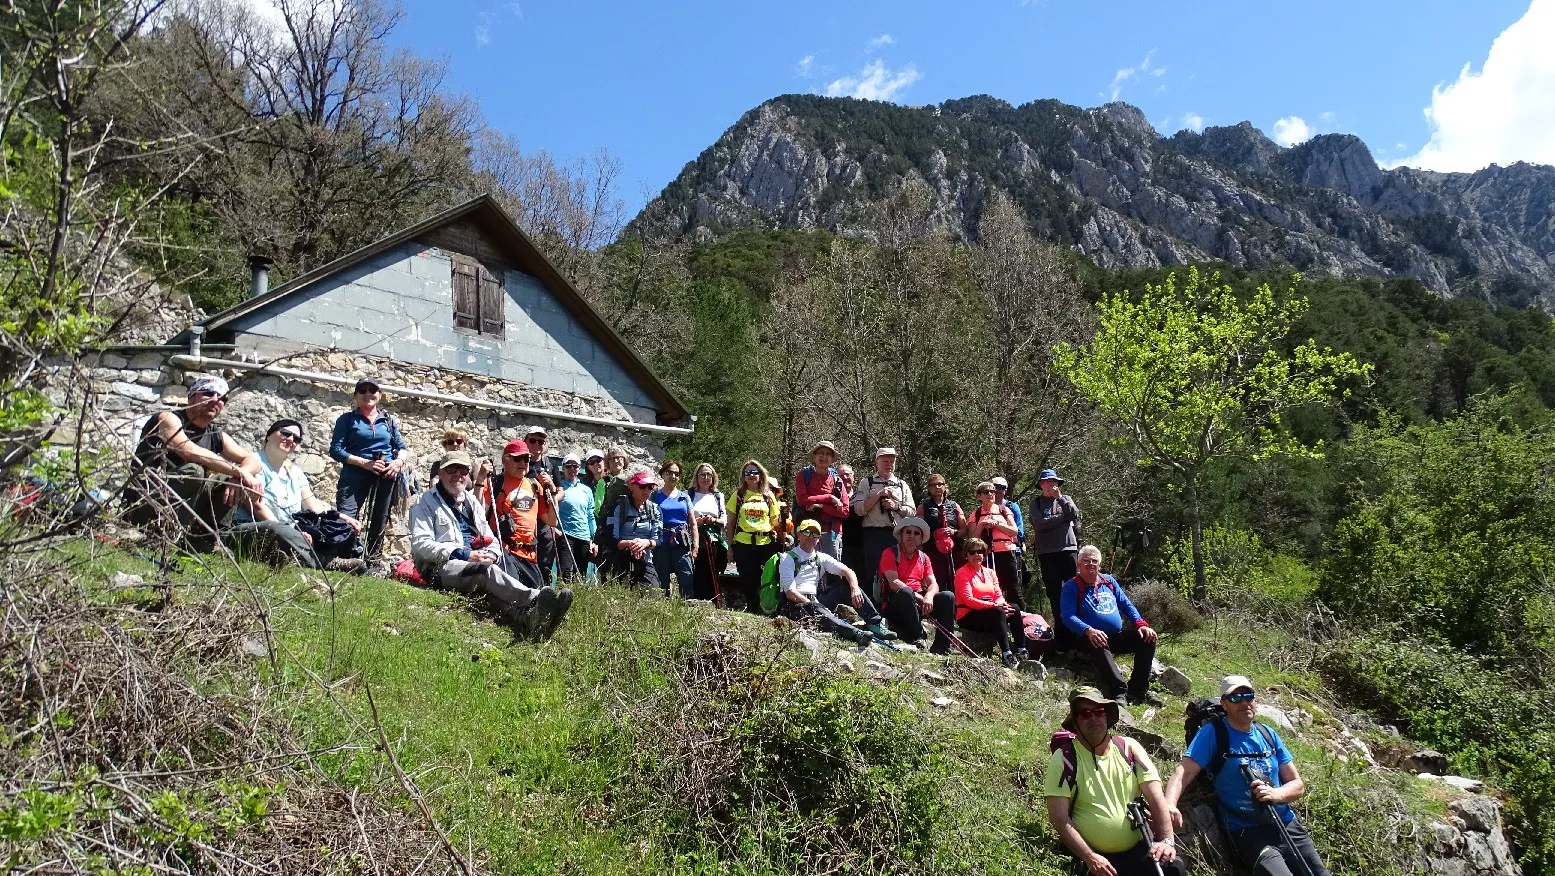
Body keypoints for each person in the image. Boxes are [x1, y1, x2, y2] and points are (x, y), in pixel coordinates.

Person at [1165, 676, 1331, 876]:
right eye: (1236, 698)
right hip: (1247, 831)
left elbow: (1297, 785)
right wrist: (1169, 805)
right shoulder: (1213, 733)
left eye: (1248, 696)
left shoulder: (1267, 734)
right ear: (1224, 704)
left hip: (1286, 824)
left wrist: (1275, 794)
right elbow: (1184, 771)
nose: (1244, 702)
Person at [408, 451, 571, 638]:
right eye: (452, 469)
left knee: (493, 582)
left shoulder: (471, 501)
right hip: (440, 567)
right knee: (486, 572)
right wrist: (464, 554)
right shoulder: (425, 501)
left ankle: (530, 619)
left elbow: (490, 536)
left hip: (474, 562)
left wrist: (493, 553)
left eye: (463, 471)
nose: (458, 475)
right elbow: (420, 544)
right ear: (442, 472)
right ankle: (536, 599)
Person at [1045, 686, 1184, 876]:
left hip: (1140, 848)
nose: (1093, 717)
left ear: (1107, 716)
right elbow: (1059, 818)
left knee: (1174, 868)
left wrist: (1166, 841)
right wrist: (1090, 856)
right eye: (1085, 713)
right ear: (1075, 722)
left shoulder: (1129, 748)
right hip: (1094, 858)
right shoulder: (1064, 758)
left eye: (1099, 711)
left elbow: (1156, 798)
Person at [122, 375, 264, 550]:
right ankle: (160, 534)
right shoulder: (168, 418)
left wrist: (238, 477)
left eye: (222, 398)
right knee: (194, 470)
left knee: (230, 480)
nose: (215, 400)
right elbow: (189, 452)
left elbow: (254, 461)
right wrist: (240, 472)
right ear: (191, 396)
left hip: (186, 511)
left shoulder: (216, 435)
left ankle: (204, 541)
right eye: (209, 393)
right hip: (144, 505)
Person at [230, 419, 364, 571]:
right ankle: (326, 563)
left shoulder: (295, 472)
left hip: (290, 530)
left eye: (297, 439)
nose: (291, 440)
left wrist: (341, 517)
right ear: (269, 435)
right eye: (286, 433)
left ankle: (289, 556)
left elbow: (313, 506)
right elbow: (256, 506)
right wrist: (292, 532)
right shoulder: (254, 463)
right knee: (276, 530)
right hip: (258, 527)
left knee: (339, 526)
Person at [1061, 546, 1162, 706]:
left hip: (1115, 636)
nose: (1091, 564)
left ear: (1100, 565)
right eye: (1086, 561)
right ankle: (1119, 691)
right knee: (1098, 640)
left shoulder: (1108, 581)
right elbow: (1068, 616)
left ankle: (1138, 691)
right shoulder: (1071, 586)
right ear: (1078, 564)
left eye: (1095, 561)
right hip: (1087, 637)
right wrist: (1088, 630)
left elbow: (1127, 605)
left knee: (1147, 639)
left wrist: (1141, 624)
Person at [329, 378, 407, 575]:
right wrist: (365, 463)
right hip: (354, 475)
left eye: (372, 390)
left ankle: (373, 561)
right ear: (356, 396)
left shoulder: (388, 421)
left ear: (379, 395)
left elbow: (401, 448)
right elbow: (336, 450)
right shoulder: (346, 420)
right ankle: (346, 558)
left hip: (386, 474)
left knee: (379, 519)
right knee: (347, 515)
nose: (367, 394)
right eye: (362, 390)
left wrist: (397, 463)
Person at [779, 518, 896, 644]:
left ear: (819, 539)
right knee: (816, 608)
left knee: (846, 585)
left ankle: (874, 622)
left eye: (815, 534)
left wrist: (854, 588)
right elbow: (790, 593)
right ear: (799, 535)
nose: (810, 537)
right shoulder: (787, 558)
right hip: (795, 605)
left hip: (817, 600)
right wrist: (814, 605)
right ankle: (855, 633)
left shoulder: (821, 557)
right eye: (807, 533)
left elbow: (848, 571)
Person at [480, 440, 557, 591]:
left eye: (526, 459)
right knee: (513, 590)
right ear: (504, 460)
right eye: (517, 458)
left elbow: (551, 521)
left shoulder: (535, 486)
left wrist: (553, 493)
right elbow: (479, 512)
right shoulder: (496, 483)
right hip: (504, 550)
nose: (522, 462)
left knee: (536, 593)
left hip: (529, 553)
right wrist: (479, 480)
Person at [877, 516, 956, 652]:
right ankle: (918, 636)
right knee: (906, 592)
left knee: (948, 596)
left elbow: (933, 584)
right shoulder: (890, 553)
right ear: (901, 535)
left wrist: (929, 596)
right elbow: (894, 583)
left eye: (916, 533)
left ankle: (942, 645)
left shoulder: (924, 558)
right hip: (896, 602)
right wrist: (918, 597)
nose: (912, 536)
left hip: (919, 601)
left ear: (920, 539)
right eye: (908, 532)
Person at [851, 446, 915, 600]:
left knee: (897, 572)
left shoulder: (901, 484)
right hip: (873, 534)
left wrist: (896, 507)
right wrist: (877, 496)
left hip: (896, 535)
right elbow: (859, 509)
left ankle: (896, 605)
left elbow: (912, 511)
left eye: (892, 461)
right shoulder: (867, 483)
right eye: (885, 461)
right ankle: (874, 610)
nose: (889, 464)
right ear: (876, 462)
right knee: (873, 573)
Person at [954, 538, 1027, 668]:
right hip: (968, 614)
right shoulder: (961, 573)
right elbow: (968, 600)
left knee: (1014, 608)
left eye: (980, 551)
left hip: (990, 611)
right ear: (966, 555)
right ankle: (1006, 653)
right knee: (998, 612)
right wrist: (995, 606)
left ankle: (1021, 649)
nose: (977, 555)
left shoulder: (990, 572)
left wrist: (1001, 604)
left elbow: (998, 595)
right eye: (972, 552)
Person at [1033, 467, 1083, 651]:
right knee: (1054, 594)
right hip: (1046, 552)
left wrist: (1060, 499)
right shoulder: (1036, 503)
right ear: (1041, 484)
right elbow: (1039, 524)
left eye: (1054, 481)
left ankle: (1078, 634)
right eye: (1047, 481)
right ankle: (1061, 638)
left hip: (1068, 550)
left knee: (1074, 591)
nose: (1051, 484)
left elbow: (1074, 515)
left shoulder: (1065, 499)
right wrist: (1062, 519)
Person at [727, 460, 782, 613]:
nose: (751, 476)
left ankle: (769, 608)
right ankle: (752, 608)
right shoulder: (738, 495)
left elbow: (775, 521)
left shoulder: (768, 495)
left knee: (769, 577)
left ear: (760, 475)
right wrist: (730, 546)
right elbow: (730, 524)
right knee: (747, 578)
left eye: (754, 472)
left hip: (766, 542)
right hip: (743, 543)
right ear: (743, 476)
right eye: (747, 473)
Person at [965, 480, 1025, 610]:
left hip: (1006, 552)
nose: (990, 494)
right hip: (986, 555)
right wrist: (981, 525)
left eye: (992, 491)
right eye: (986, 492)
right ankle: (996, 616)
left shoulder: (1004, 510)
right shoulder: (976, 514)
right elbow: (972, 538)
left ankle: (1021, 618)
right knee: (992, 587)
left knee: (1013, 588)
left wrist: (997, 524)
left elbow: (1014, 531)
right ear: (979, 496)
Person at [605, 469, 663, 591]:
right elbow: (611, 539)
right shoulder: (619, 506)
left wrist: (645, 543)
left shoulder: (655, 510)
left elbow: (658, 539)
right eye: (643, 486)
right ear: (631, 486)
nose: (647, 490)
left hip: (645, 559)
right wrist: (632, 544)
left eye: (650, 487)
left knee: (654, 594)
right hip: (620, 558)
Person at [792, 440, 849, 559]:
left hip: (832, 532)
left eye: (828, 454)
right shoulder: (804, 475)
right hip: (808, 531)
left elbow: (845, 511)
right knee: (807, 570)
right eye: (820, 453)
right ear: (814, 457)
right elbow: (802, 500)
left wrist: (821, 506)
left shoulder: (837, 480)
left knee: (832, 572)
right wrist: (829, 498)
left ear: (833, 459)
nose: (824, 456)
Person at [652, 460, 698, 597]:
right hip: (661, 543)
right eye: (669, 473)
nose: (673, 476)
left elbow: (693, 523)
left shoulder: (684, 498)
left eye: (676, 474)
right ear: (663, 474)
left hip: (681, 542)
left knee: (687, 577)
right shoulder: (654, 496)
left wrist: (695, 546)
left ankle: (687, 609)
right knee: (661, 579)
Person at [521, 426, 560, 585]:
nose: (537, 444)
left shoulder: (550, 465)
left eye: (541, 441)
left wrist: (551, 489)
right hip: (524, 517)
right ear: (526, 441)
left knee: (545, 560)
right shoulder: (520, 462)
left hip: (544, 519)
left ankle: (545, 591)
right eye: (533, 440)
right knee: (525, 556)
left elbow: (560, 490)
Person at [687, 463, 727, 602]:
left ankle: (715, 602)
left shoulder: (718, 496)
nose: (705, 478)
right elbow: (683, 518)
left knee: (713, 572)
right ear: (696, 477)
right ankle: (697, 601)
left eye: (709, 475)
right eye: (702, 475)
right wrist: (696, 522)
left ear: (713, 477)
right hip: (694, 539)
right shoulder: (688, 494)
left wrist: (713, 520)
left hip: (713, 539)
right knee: (697, 571)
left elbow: (724, 521)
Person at [917, 473, 964, 589]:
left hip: (955, 551)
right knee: (938, 583)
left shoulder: (954, 506)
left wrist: (954, 532)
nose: (937, 487)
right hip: (933, 551)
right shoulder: (923, 507)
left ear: (945, 486)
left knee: (957, 583)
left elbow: (964, 529)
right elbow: (918, 530)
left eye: (939, 484)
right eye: (933, 485)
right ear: (929, 488)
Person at [555, 454, 596, 585]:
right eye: (568, 466)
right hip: (565, 535)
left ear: (579, 468)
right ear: (563, 468)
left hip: (584, 536)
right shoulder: (559, 488)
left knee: (581, 573)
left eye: (575, 466)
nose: (572, 469)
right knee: (565, 572)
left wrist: (592, 539)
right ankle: (562, 600)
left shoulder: (586, 490)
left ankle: (577, 602)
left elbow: (590, 515)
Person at [837, 463, 866, 587]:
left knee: (862, 578)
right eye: (841, 476)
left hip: (862, 544)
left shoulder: (862, 496)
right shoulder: (834, 497)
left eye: (847, 474)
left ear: (853, 477)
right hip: (841, 544)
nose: (845, 478)